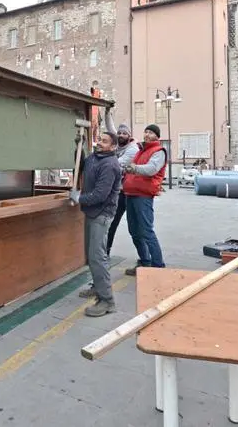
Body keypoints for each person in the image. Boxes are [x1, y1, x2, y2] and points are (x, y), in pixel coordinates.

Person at [70, 131, 122, 317]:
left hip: (101, 214)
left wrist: (79, 198)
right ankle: (97, 287)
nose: (100, 143)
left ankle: (107, 301)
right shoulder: (96, 157)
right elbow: (83, 165)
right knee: (91, 255)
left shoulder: (110, 165)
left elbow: (100, 195)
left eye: (105, 141)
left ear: (113, 146)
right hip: (91, 212)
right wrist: (79, 148)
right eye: (99, 139)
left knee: (97, 256)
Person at [122, 124, 167, 275]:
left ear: (157, 136)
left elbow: (151, 169)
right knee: (134, 231)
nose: (147, 135)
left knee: (146, 231)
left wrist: (133, 168)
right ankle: (145, 262)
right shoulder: (141, 150)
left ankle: (158, 266)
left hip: (143, 196)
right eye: (146, 132)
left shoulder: (158, 151)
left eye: (151, 133)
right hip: (131, 193)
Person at [105, 124, 140, 256]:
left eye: (124, 133)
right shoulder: (119, 146)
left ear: (129, 136)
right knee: (112, 222)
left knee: (136, 227)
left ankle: (146, 259)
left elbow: (116, 164)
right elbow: (111, 130)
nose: (121, 135)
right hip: (120, 191)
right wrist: (108, 112)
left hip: (130, 192)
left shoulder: (132, 149)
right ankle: (106, 251)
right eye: (119, 133)